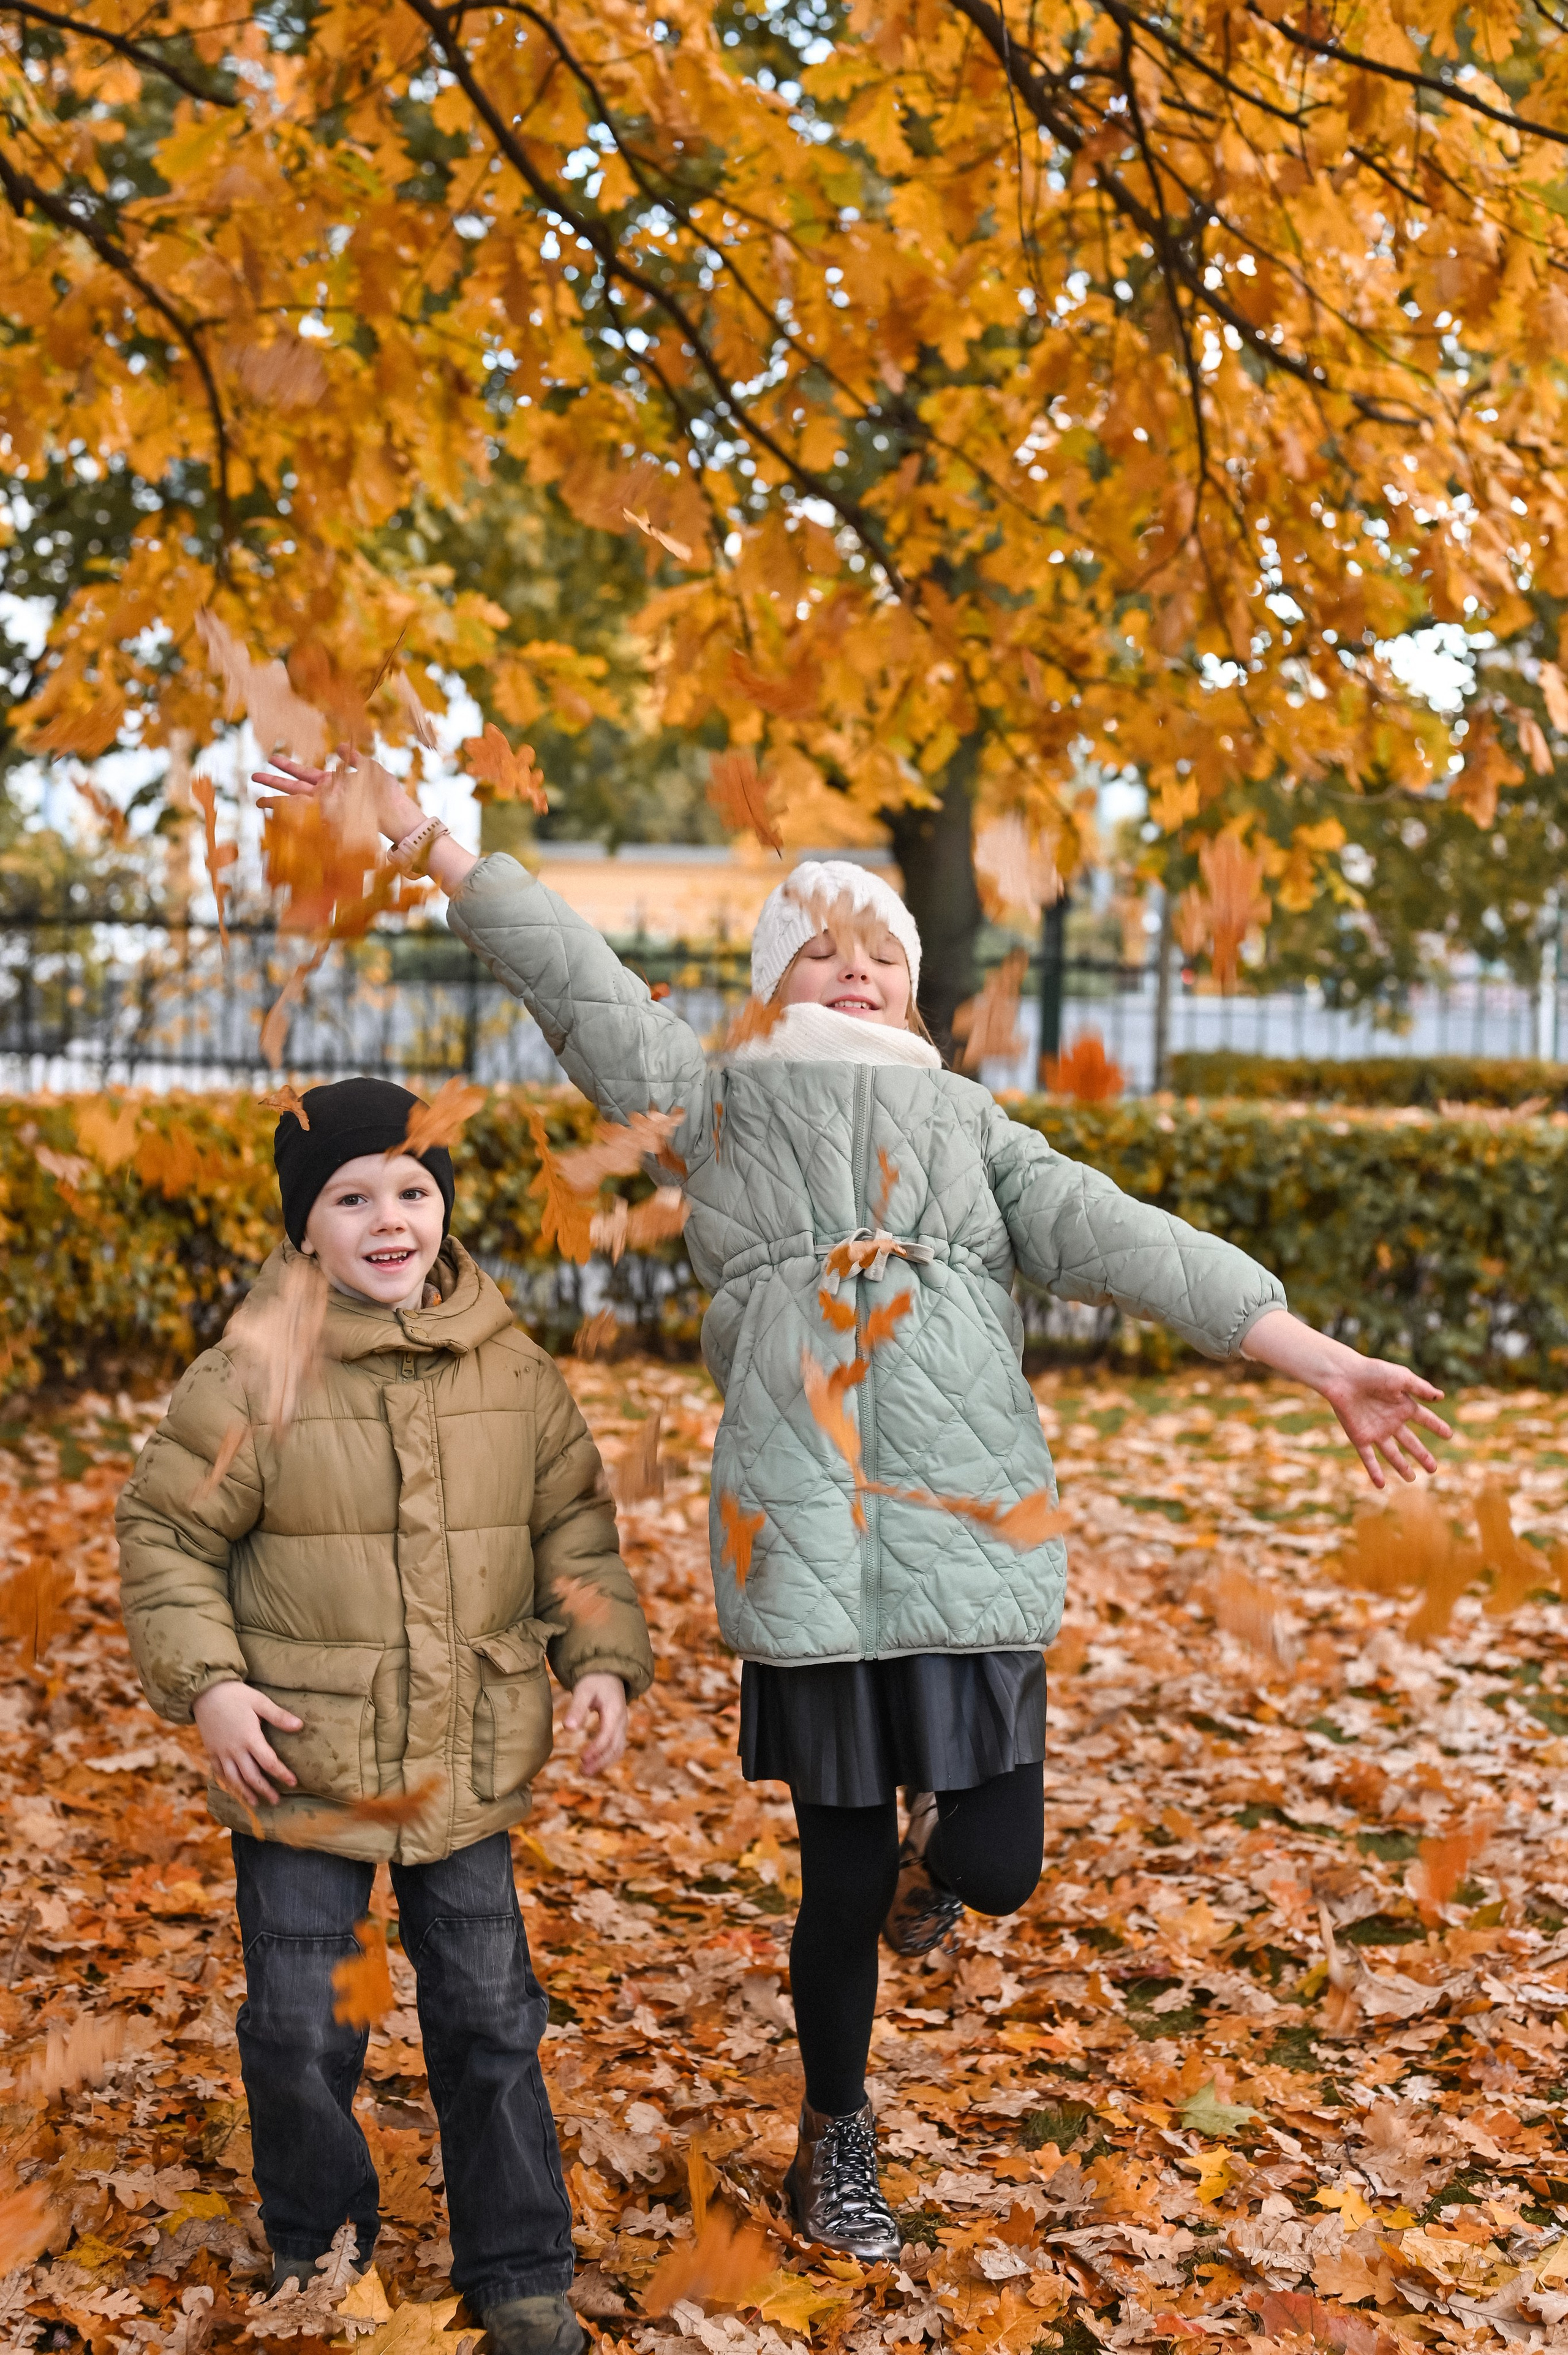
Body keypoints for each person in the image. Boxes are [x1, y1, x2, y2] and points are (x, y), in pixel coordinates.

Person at [253, 758, 1450, 2266]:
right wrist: (431, 843)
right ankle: (836, 2127)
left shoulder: (970, 1123)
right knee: (835, 1877)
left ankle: (932, 1854)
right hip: (807, 1542)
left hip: (969, 1534)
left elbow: (1132, 1241)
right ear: (772, 984)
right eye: (824, 946)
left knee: (996, 1866)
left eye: (882, 946)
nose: (861, 966)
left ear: (914, 983)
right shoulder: (720, 1102)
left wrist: (1318, 1357)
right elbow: (579, 980)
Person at [116, 1076, 653, 2355]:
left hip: (463, 1757)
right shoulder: (257, 1370)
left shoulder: (508, 1364)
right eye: (350, 1196)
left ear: (442, 1205)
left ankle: (518, 2264)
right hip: (303, 1761)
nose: (387, 1216)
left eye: (411, 1188)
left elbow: (571, 1519)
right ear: (306, 1227)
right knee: (303, 2022)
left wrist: (599, 1655)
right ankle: (320, 2239)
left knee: (488, 2016)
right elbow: (167, 1532)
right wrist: (211, 1682)